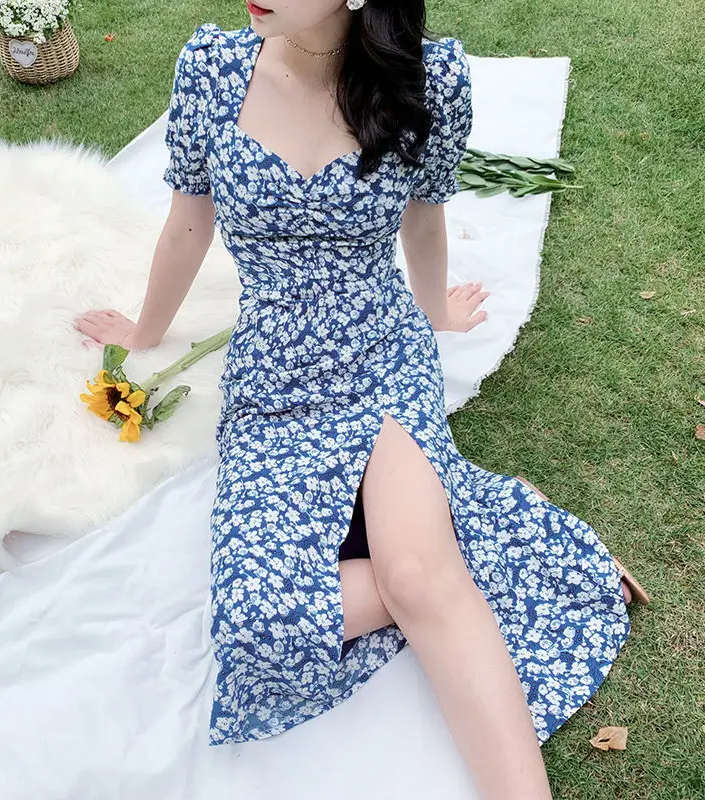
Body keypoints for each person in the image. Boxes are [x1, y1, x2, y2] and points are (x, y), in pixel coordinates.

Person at [74, 3, 649, 798]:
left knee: (416, 578)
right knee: (257, 626)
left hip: (380, 354)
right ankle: (493, 528)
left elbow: (424, 222)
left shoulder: (429, 79)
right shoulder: (211, 69)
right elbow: (187, 228)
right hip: (275, 380)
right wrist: (144, 331)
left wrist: (436, 313)